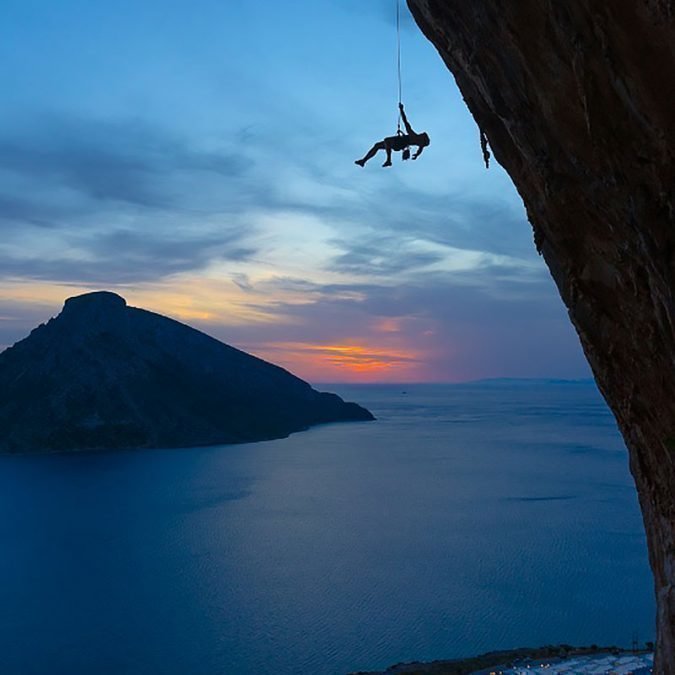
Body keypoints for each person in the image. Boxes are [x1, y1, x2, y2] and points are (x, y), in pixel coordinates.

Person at [355, 103, 430, 168]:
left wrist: (401, 110)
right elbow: (420, 149)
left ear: (422, 139)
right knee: (377, 145)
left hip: (399, 143)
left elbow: (405, 121)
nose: (422, 133)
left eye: (423, 135)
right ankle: (363, 161)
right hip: (398, 143)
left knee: (387, 140)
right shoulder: (420, 143)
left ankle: (388, 160)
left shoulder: (414, 136)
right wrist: (417, 155)